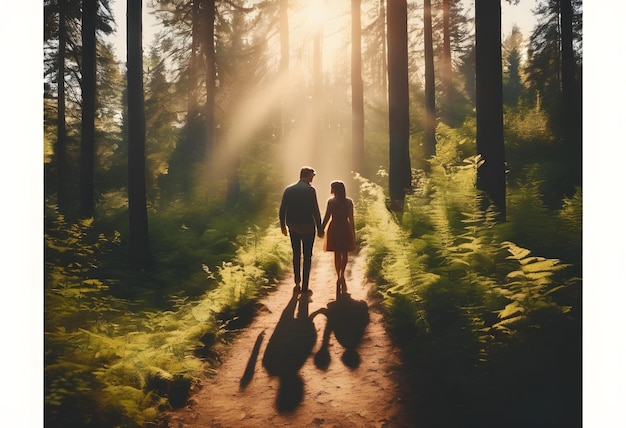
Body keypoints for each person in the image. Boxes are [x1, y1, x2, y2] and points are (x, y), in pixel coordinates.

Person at [279, 166, 324, 295]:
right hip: (308, 226)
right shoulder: (310, 190)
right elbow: (315, 210)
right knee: (307, 256)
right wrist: (319, 228)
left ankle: (297, 282)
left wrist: (283, 225)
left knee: (296, 254)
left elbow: (283, 209)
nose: (313, 178)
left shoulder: (289, 189)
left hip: (293, 225)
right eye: (312, 176)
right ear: (307, 175)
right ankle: (305, 285)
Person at [320, 180, 356, 294]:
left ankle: (338, 276)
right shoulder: (349, 202)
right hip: (345, 227)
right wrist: (353, 232)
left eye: (332, 188)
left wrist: (321, 228)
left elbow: (327, 216)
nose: (330, 190)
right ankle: (342, 274)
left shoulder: (331, 201)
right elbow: (351, 218)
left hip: (334, 227)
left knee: (337, 253)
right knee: (344, 252)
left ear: (335, 190)